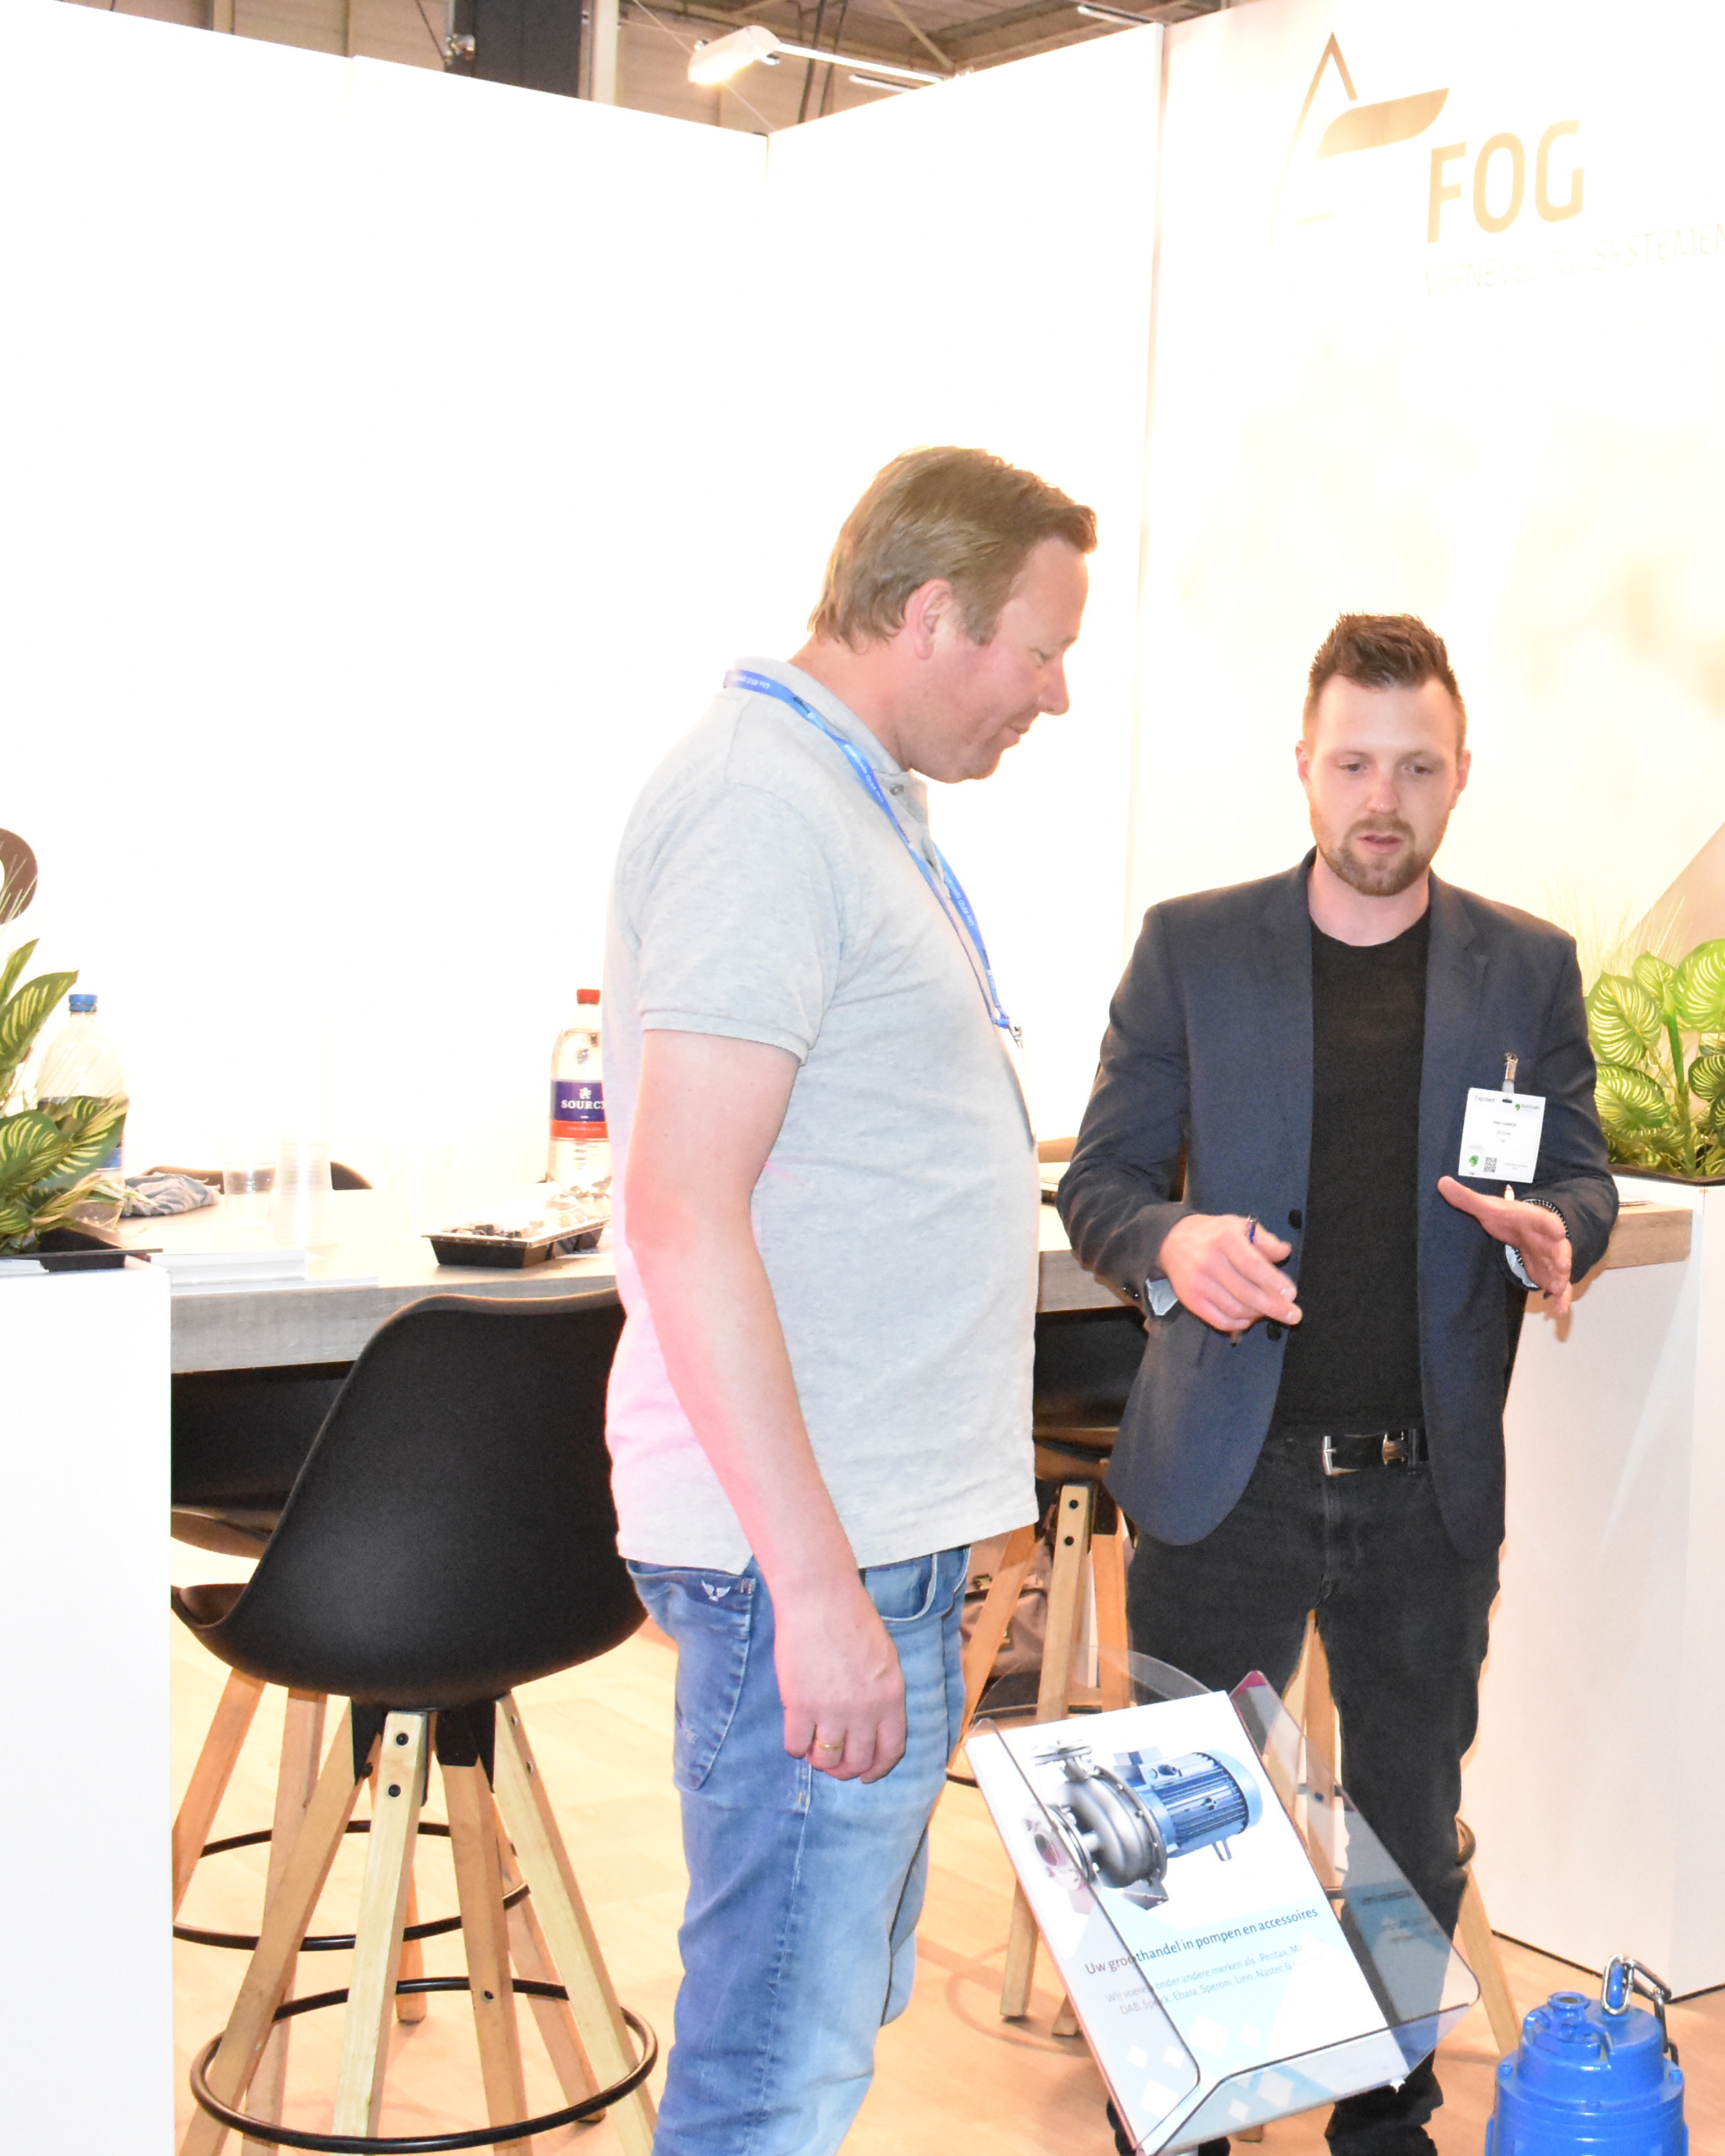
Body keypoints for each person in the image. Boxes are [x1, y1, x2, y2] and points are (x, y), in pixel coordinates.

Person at [1058, 612, 1617, 2156]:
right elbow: (1100, 1184)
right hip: (1222, 1474)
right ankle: (1180, 2119)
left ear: (1460, 776)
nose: (1385, 798)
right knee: (1174, 1837)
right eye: (1356, 764)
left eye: (1417, 769)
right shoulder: (1192, 950)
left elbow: (1581, 1176)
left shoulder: (1525, 970)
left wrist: (1556, 1233)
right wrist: (1173, 1243)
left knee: (1406, 1836)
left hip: (1424, 1483)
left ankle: (1386, 2123)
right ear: (1303, 766)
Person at [604, 446, 1094, 2151]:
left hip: (868, 1532)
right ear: (935, 611)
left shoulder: (847, 799)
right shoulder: (764, 810)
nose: (1056, 692)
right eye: (1041, 648)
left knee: (810, 2037)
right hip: (806, 1554)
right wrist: (815, 1594)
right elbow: (682, 1210)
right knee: (772, 2072)